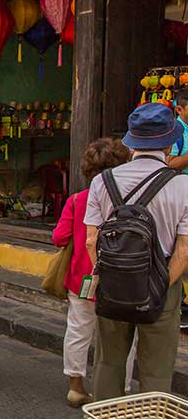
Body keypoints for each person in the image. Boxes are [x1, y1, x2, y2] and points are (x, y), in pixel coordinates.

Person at [84, 102, 188, 400]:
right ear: (169, 142)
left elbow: (92, 240)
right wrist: (156, 285)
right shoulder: (182, 186)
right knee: (156, 371)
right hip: (162, 287)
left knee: (108, 364)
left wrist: (111, 276)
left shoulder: (101, 182)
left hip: (113, 284)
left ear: (132, 143)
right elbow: (184, 249)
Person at [52, 138, 134, 407]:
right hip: (121, 280)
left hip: (83, 278)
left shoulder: (78, 200)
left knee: (78, 331)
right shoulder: (132, 198)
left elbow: (59, 237)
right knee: (122, 338)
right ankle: (117, 390)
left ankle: (76, 387)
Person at [165, 88, 188, 330]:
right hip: (180, 199)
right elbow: (169, 163)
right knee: (179, 250)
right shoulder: (175, 133)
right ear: (179, 109)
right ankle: (179, 303)